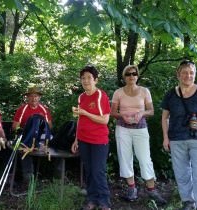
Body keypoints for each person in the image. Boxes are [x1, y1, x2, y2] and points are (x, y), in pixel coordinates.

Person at [161, 60, 197, 210]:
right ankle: (188, 201)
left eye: (191, 72)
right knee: (181, 173)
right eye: (185, 72)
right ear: (178, 74)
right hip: (176, 139)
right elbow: (164, 117)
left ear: (195, 74)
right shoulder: (171, 94)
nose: (188, 75)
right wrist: (165, 137)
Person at [110, 65, 166, 204]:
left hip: (140, 128)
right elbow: (113, 112)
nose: (131, 76)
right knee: (125, 158)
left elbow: (151, 111)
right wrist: (123, 116)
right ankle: (132, 189)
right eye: (128, 74)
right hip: (123, 128)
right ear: (124, 77)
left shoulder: (144, 91)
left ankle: (151, 190)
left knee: (145, 159)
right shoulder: (118, 92)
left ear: (137, 75)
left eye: (134, 73)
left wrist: (141, 113)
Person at [71, 65, 111, 210]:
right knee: (88, 170)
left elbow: (105, 120)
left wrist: (86, 113)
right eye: (83, 78)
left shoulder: (101, 95)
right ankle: (91, 199)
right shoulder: (81, 97)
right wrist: (76, 139)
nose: (86, 81)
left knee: (98, 171)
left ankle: (104, 202)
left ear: (96, 80)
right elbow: (79, 120)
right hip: (83, 139)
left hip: (99, 140)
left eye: (89, 78)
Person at [12, 86, 53, 182]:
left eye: (36, 96)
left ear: (39, 98)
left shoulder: (44, 110)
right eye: (31, 96)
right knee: (25, 147)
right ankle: (28, 177)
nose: (34, 98)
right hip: (25, 137)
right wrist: (26, 129)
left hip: (40, 138)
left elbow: (49, 127)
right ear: (27, 97)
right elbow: (15, 127)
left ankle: (50, 175)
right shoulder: (22, 109)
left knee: (51, 145)